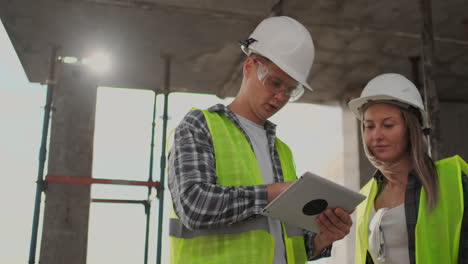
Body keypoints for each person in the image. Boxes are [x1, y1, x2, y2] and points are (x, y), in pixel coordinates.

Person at [168, 16, 353, 264]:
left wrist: (322, 238)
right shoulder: (200, 125)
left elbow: (286, 241)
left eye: (290, 90)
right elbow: (195, 206)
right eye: (275, 83)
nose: (279, 97)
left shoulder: (282, 151)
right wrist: (272, 193)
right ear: (249, 67)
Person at [348, 73, 468, 264]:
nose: (376, 135)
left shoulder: (453, 180)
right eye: (369, 126)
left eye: (388, 125)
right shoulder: (365, 196)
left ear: (412, 129)